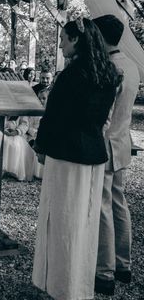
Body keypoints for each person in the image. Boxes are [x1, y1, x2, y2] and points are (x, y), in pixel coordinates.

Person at [32, 17, 121, 300]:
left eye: (63, 39)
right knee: (86, 220)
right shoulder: (108, 73)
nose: (60, 45)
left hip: (67, 155)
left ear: (75, 40)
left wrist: (40, 146)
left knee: (62, 218)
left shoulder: (71, 76)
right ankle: (80, 282)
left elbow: (54, 117)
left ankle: (61, 284)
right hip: (93, 154)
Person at [93, 15, 139, 295]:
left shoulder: (109, 67)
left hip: (106, 143)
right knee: (120, 205)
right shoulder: (132, 66)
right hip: (123, 141)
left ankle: (104, 272)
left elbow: (104, 115)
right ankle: (124, 264)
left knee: (103, 206)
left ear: (100, 36)